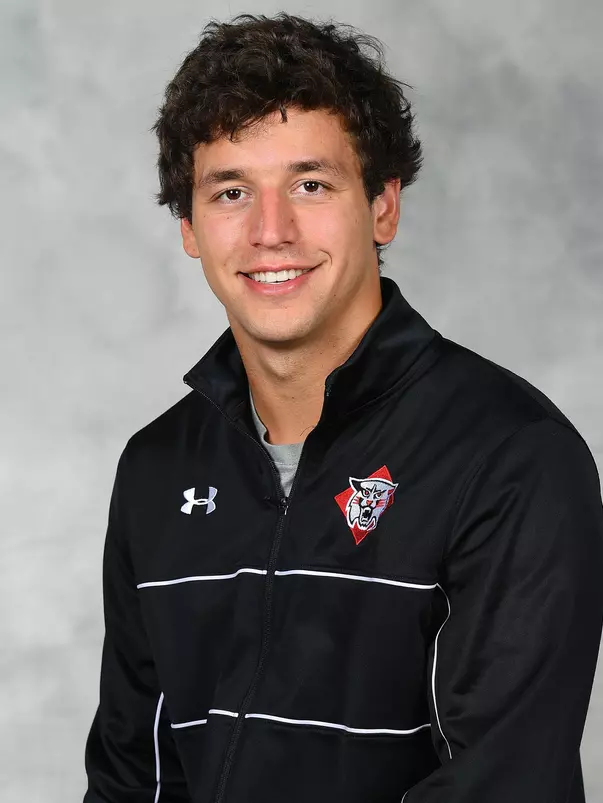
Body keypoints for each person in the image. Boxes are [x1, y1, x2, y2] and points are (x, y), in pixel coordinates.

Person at [83, 12, 603, 803]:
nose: (270, 231)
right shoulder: (157, 469)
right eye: (230, 191)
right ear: (189, 227)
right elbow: (132, 779)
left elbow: (501, 785)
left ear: (382, 205)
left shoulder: (512, 457)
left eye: (310, 184)